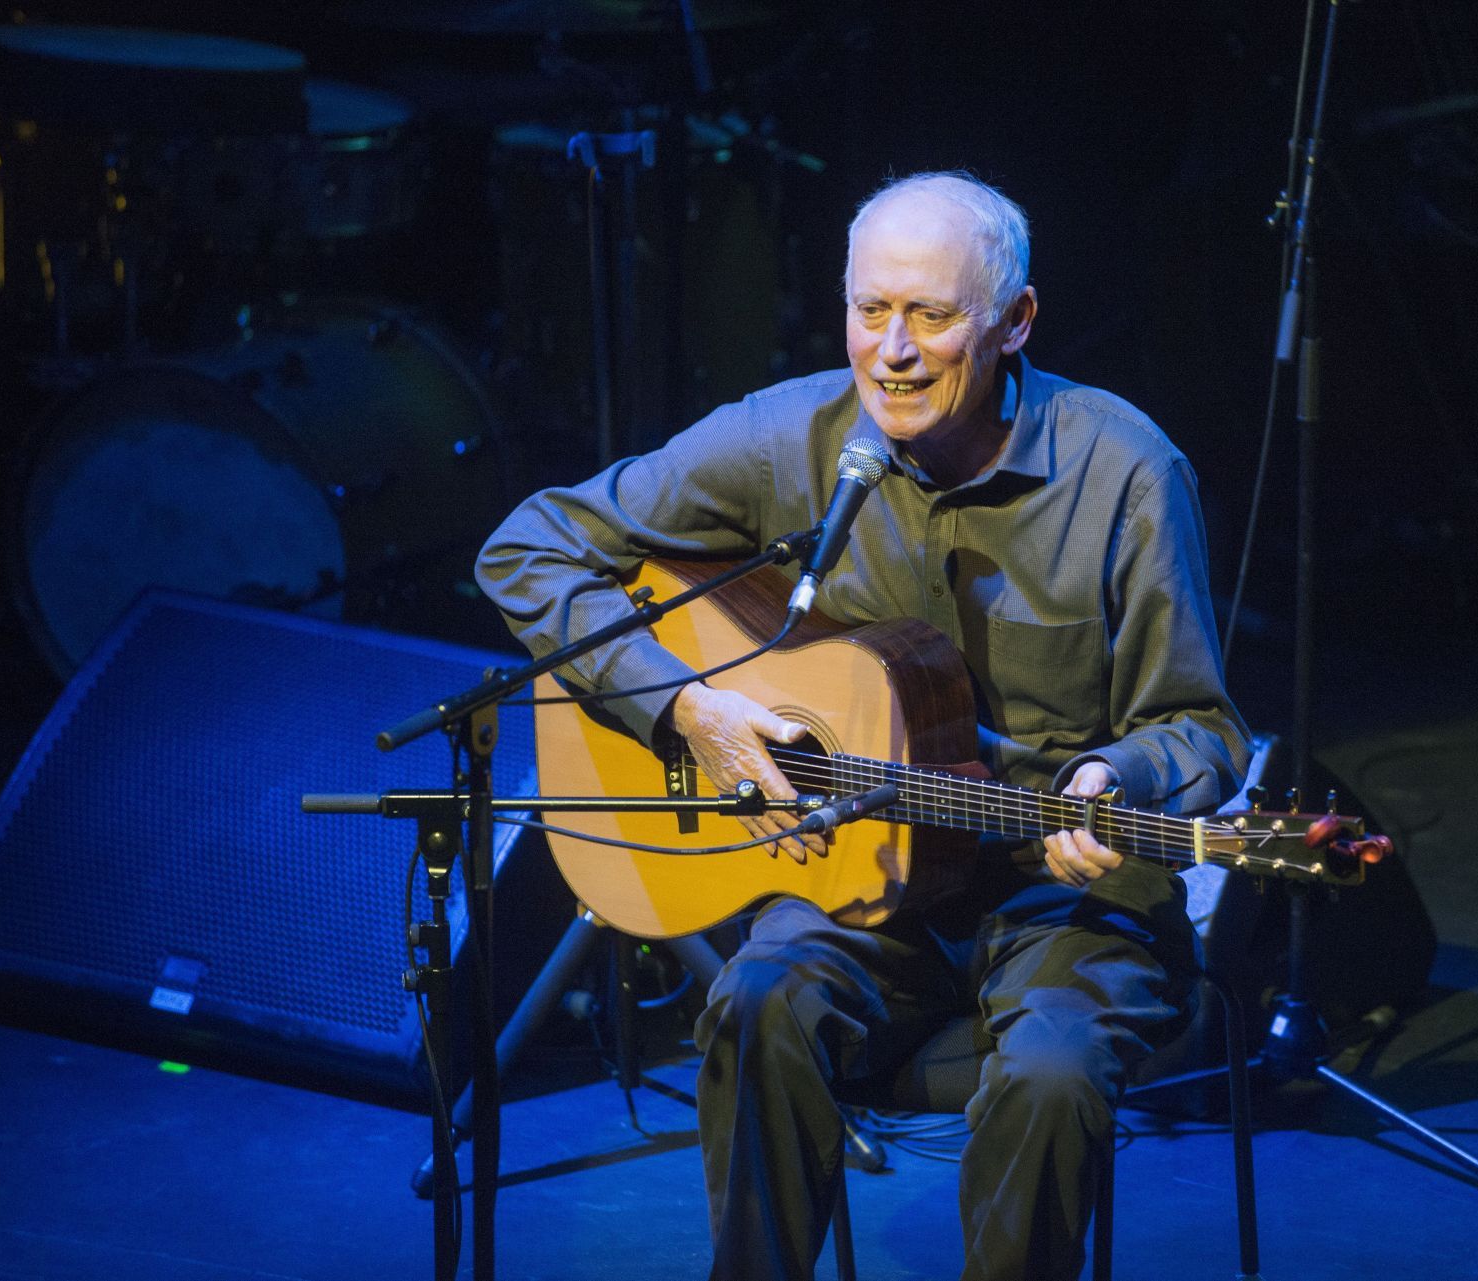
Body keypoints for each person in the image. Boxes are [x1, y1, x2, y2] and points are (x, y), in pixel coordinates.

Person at [477, 171, 1250, 1281]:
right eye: (868, 311)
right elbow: (527, 546)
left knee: (1048, 1079)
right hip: (860, 890)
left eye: (932, 316)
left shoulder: (1125, 470)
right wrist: (683, 706)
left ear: (1014, 321)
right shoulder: (784, 438)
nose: (891, 349)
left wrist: (1117, 779)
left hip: (1064, 901)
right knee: (753, 1003)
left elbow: (1200, 727)